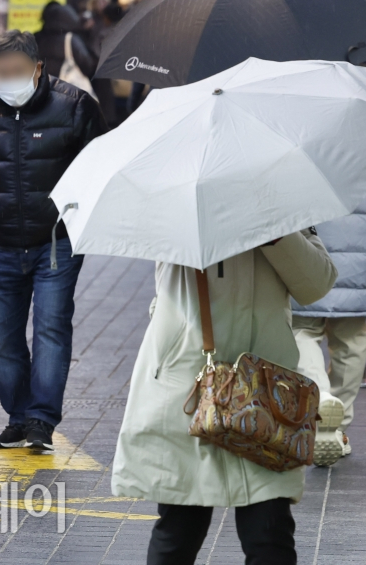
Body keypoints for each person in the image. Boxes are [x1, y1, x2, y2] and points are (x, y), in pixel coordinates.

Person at [112, 231, 337, 565]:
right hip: (189, 382)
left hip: (263, 388)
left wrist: (275, 233)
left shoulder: (278, 202)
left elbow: (316, 284)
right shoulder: (181, 199)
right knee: (179, 529)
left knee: (269, 533)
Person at [0, 30, 105, 451]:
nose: (7, 80)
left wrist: (76, 214)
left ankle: (41, 420)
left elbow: (100, 164)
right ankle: (17, 415)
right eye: (0, 73)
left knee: (51, 329)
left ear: (37, 69)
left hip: (56, 244)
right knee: (5, 338)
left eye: (16, 72)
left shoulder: (74, 106)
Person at [293, 162, 366, 466]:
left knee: (303, 330)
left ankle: (319, 397)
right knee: (352, 338)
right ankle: (337, 427)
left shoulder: (292, 116)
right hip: (362, 238)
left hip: (307, 229)